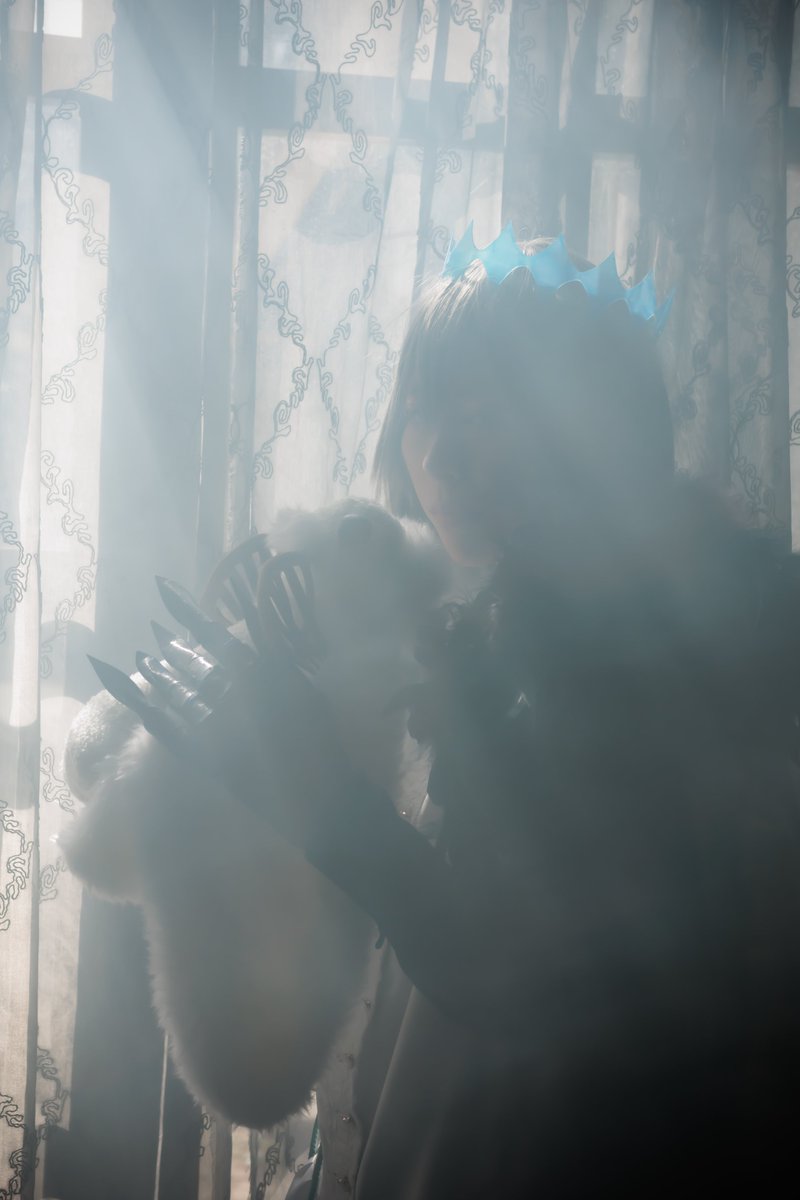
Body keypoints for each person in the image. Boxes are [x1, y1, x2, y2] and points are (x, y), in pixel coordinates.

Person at [138, 231, 800, 1197]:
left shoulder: (671, 647)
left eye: (488, 416)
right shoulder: (529, 607)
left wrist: (314, 787)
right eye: (421, 411)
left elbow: (530, 972)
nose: (438, 457)